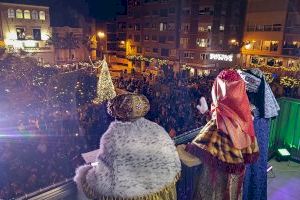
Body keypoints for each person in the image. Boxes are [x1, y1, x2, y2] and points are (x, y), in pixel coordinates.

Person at [74, 93, 181, 200]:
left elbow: (106, 182)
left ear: (117, 116)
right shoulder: (157, 130)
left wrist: (85, 174)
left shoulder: (115, 137)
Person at [180, 69, 259, 200]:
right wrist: (208, 113)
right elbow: (231, 123)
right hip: (235, 183)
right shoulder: (245, 120)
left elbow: (193, 157)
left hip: (214, 187)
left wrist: (176, 149)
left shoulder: (217, 127)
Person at [238, 69, 279, 200]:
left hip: (250, 153)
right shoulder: (262, 110)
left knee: (252, 173)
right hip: (255, 154)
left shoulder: (254, 110)